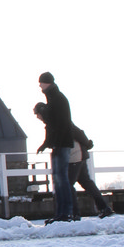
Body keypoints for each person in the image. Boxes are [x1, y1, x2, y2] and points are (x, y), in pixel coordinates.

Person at [34, 104, 115, 218]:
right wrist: (43, 146)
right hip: (76, 156)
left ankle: (73, 213)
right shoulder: (53, 123)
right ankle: (104, 208)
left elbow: (78, 132)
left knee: (67, 184)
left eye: (37, 114)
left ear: (43, 112)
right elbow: (51, 139)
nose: (37, 117)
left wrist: (87, 143)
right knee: (86, 182)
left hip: (74, 156)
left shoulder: (59, 121)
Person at [35, 71, 76, 222]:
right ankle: (61, 213)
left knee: (61, 179)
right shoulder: (54, 98)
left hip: (61, 144)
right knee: (58, 179)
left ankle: (66, 213)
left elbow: (60, 124)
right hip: (59, 144)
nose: (40, 86)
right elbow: (52, 125)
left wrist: (56, 144)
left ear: (47, 83)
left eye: (41, 83)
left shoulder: (57, 99)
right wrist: (47, 144)